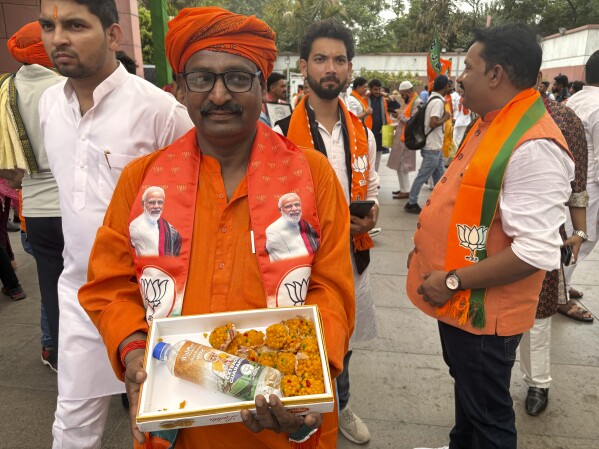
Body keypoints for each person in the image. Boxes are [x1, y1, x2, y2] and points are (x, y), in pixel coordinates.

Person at [78, 7, 354, 449]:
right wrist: (133, 353)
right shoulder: (142, 180)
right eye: (203, 79)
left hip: (280, 418)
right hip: (178, 420)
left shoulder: (312, 175)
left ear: (263, 87)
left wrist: (313, 372)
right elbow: (110, 285)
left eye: (239, 78)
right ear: (181, 88)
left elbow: (332, 289)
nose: (220, 95)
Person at [408, 24, 573, 449]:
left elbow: (535, 251)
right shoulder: (493, 122)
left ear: (496, 74)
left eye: (468, 67)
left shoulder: (533, 145)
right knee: (471, 397)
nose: (461, 76)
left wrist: (451, 280)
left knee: (489, 415)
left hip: (483, 315)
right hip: (463, 308)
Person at [38, 0, 193, 447]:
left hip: (156, 300)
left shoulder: (160, 111)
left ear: (112, 35)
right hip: (82, 293)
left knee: (163, 423)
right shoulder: (50, 104)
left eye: (74, 25)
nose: (58, 38)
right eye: (49, 25)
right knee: (72, 422)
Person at [273, 19, 379, 445]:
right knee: (299, 341)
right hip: (298, 264)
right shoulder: (279, 135)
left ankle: (342, 404)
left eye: (339, 60)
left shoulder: (363, 134)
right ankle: (295, 412)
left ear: (350, 68)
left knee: (343, 342)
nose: (330, 68)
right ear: (304, 66)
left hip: (351, 259)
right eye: (321, 59)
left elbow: (370, 188)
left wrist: (371, 218)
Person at [519, 87, 589, 417]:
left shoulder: (563, 119)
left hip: (545, 232)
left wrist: (579, 231)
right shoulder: (490, 116)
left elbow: (577, 184)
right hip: (491, 231)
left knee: (539, 311)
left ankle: (538, 382)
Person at [1, 21, 64, 370]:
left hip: (35, 209)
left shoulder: (6, 89)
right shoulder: (65, 87)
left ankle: (60, 359)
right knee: (93, 285)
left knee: (52, 292)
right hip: (74, 204)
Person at [560, 50, 599, 321]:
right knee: (581, 241)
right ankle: (558, 296)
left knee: (570, 239)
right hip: (590, 188)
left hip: (567, 181)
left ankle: (561, 283)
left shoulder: (574, 99)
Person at [404, 74, 451, 214]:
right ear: (444, 86)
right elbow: (433, 122)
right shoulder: (437, 102)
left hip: (435, 146)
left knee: (440, 177)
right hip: (432, 147)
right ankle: (411, 202)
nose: (450, 87)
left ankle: (441, 201)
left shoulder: (433, 98)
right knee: (422, 176)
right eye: (449, 85)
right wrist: (445, 118)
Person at [388, 80, 421, 199]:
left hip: (407, 138)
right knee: (399, 164)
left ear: (409, 91)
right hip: (402, 136)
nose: (402, 97)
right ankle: (403, 188)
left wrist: (399, 116)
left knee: (403, 165)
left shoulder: (417, 102)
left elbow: (413, 121)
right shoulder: (410, 101)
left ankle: (406, 190)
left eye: (403, 94)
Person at [265, 193, 320, 262]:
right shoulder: (273, 230)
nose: (294, 209)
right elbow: (284, 261)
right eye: (288, 206)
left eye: (297, 205)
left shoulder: (304, 224)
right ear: (280, 210)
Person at [129, 186, 182, 257]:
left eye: (160, 202)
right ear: (143, 204)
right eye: (152, 202)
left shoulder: (170, 230)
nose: (156, 206)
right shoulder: (136, 226)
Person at [367, 78, 391, 172]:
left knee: (378, 155)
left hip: (382, 131)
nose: (377, 91)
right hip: (369, 130)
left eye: (379, 89)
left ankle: (375, 178)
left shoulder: (383, 99)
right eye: (375, 89)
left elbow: (395, 104)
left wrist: (386, 95)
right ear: (370, 89)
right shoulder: (366, 98)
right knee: (369, 155)